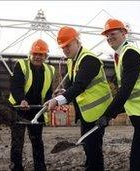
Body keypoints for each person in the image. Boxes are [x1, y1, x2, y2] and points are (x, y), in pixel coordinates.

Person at [96, 19, 140, 171]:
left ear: (123, 33)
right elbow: (128, 89)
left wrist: (108, 115)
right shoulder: (121, 55)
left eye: (112, 34)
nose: (109, 38)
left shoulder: (130, 54)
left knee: (138, 156)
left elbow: (126, 89)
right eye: (106, 36)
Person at [46, 26, 113, 171]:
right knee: (88, 146)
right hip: (86, 113)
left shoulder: (89, 59)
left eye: (68, 45)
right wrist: (63, 92)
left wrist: (58, 101)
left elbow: (80, 86)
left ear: (77, 41)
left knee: (93, 149)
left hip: (98, 112)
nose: (65, 50)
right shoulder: (72, 60)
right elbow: (73, 85)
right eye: (62, 47)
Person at [8, 39, 55, 171]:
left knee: (37, 141)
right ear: (30, 54)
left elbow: (48, 90)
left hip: (37, 109)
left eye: (41, 54)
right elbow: (15, 86)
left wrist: (48, 101)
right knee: (17, 141)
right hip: (19, 109)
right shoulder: (21, 65)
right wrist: (21, 100)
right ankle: (16, 167)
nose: (37, 57)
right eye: (35, 54)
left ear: (46, 56)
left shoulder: (50, 69)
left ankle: (40, 168)